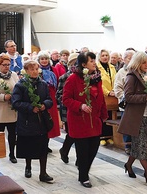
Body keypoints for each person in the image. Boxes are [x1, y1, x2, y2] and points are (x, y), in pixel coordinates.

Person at [63, 52, 108, 188]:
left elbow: (100, 97)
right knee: (83, 151)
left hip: (94, 119)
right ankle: (83, 176)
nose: (94, 62)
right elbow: (65, 99)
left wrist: (103, 114)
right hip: (79, 120)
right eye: (91, 61)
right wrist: (80, 105)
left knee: (93, 149)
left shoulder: (97, 78)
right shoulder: (73, 79)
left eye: (94, 60)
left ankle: (83, 170)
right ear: (83, 64)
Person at [117, 51, 147, 187]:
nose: (146, 65)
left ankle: (128, 165)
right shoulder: (132, 76)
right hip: (136, 116)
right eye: (143, 62)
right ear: (137, 63)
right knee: (142, 147)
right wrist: (144, 98)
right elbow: (128, 97)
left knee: (139, 145)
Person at [11, 59, 54, 183]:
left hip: (41, 122)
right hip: (27, 121)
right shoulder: (20, 85)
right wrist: (30, 107)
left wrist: (44, 105)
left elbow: (49, 99)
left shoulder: (43, 84)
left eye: (36, 69)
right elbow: (16, 103)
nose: (35, 72)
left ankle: (43, 173)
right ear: (26, 71)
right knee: (28, 147)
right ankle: (28, 167)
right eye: (32, 69)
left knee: (43, 148)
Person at [56, 52, 79, 164]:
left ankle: (80, 159)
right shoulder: (64, 77)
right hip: (68, 110)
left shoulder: (84, 77)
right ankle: (64, 150)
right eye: (74, 63)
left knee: (80, 135)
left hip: (80, 110)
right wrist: (68, 99)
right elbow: (58, 95)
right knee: (71, 134)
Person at [37, 51, 60, 152]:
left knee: (51, 120)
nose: (44, 61)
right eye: (42, 59)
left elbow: (58, 82)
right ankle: (41, 144)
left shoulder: (53, 69)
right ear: (39, 60)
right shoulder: (36, 70)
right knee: (41, 120)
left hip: (52, 98)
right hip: (41, 97)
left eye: (46, 59)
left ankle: (47, 143)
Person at [114, 49, 135, 155]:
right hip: (126, 104)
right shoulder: (121, 73)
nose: (131, 60)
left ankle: (136, 145)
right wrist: (127, 98)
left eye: (133, 58)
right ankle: (128, 145)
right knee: (127, 125)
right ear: (124, 59)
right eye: (129, 58)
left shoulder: (138, 71)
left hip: (137, 104)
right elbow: (118, 89)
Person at [97, 49, 116, 145]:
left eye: (106, 55)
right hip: (103, 95)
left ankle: (109, 136)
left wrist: (114, 90)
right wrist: (108, 92)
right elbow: (99, 83)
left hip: (112, 95)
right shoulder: (97, 68)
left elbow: (115, 80)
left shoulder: (112, 67)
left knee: (110, 115)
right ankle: (102, 137)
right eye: (103, 55)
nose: (105, 57)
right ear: (99, 57)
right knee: (102, 116)